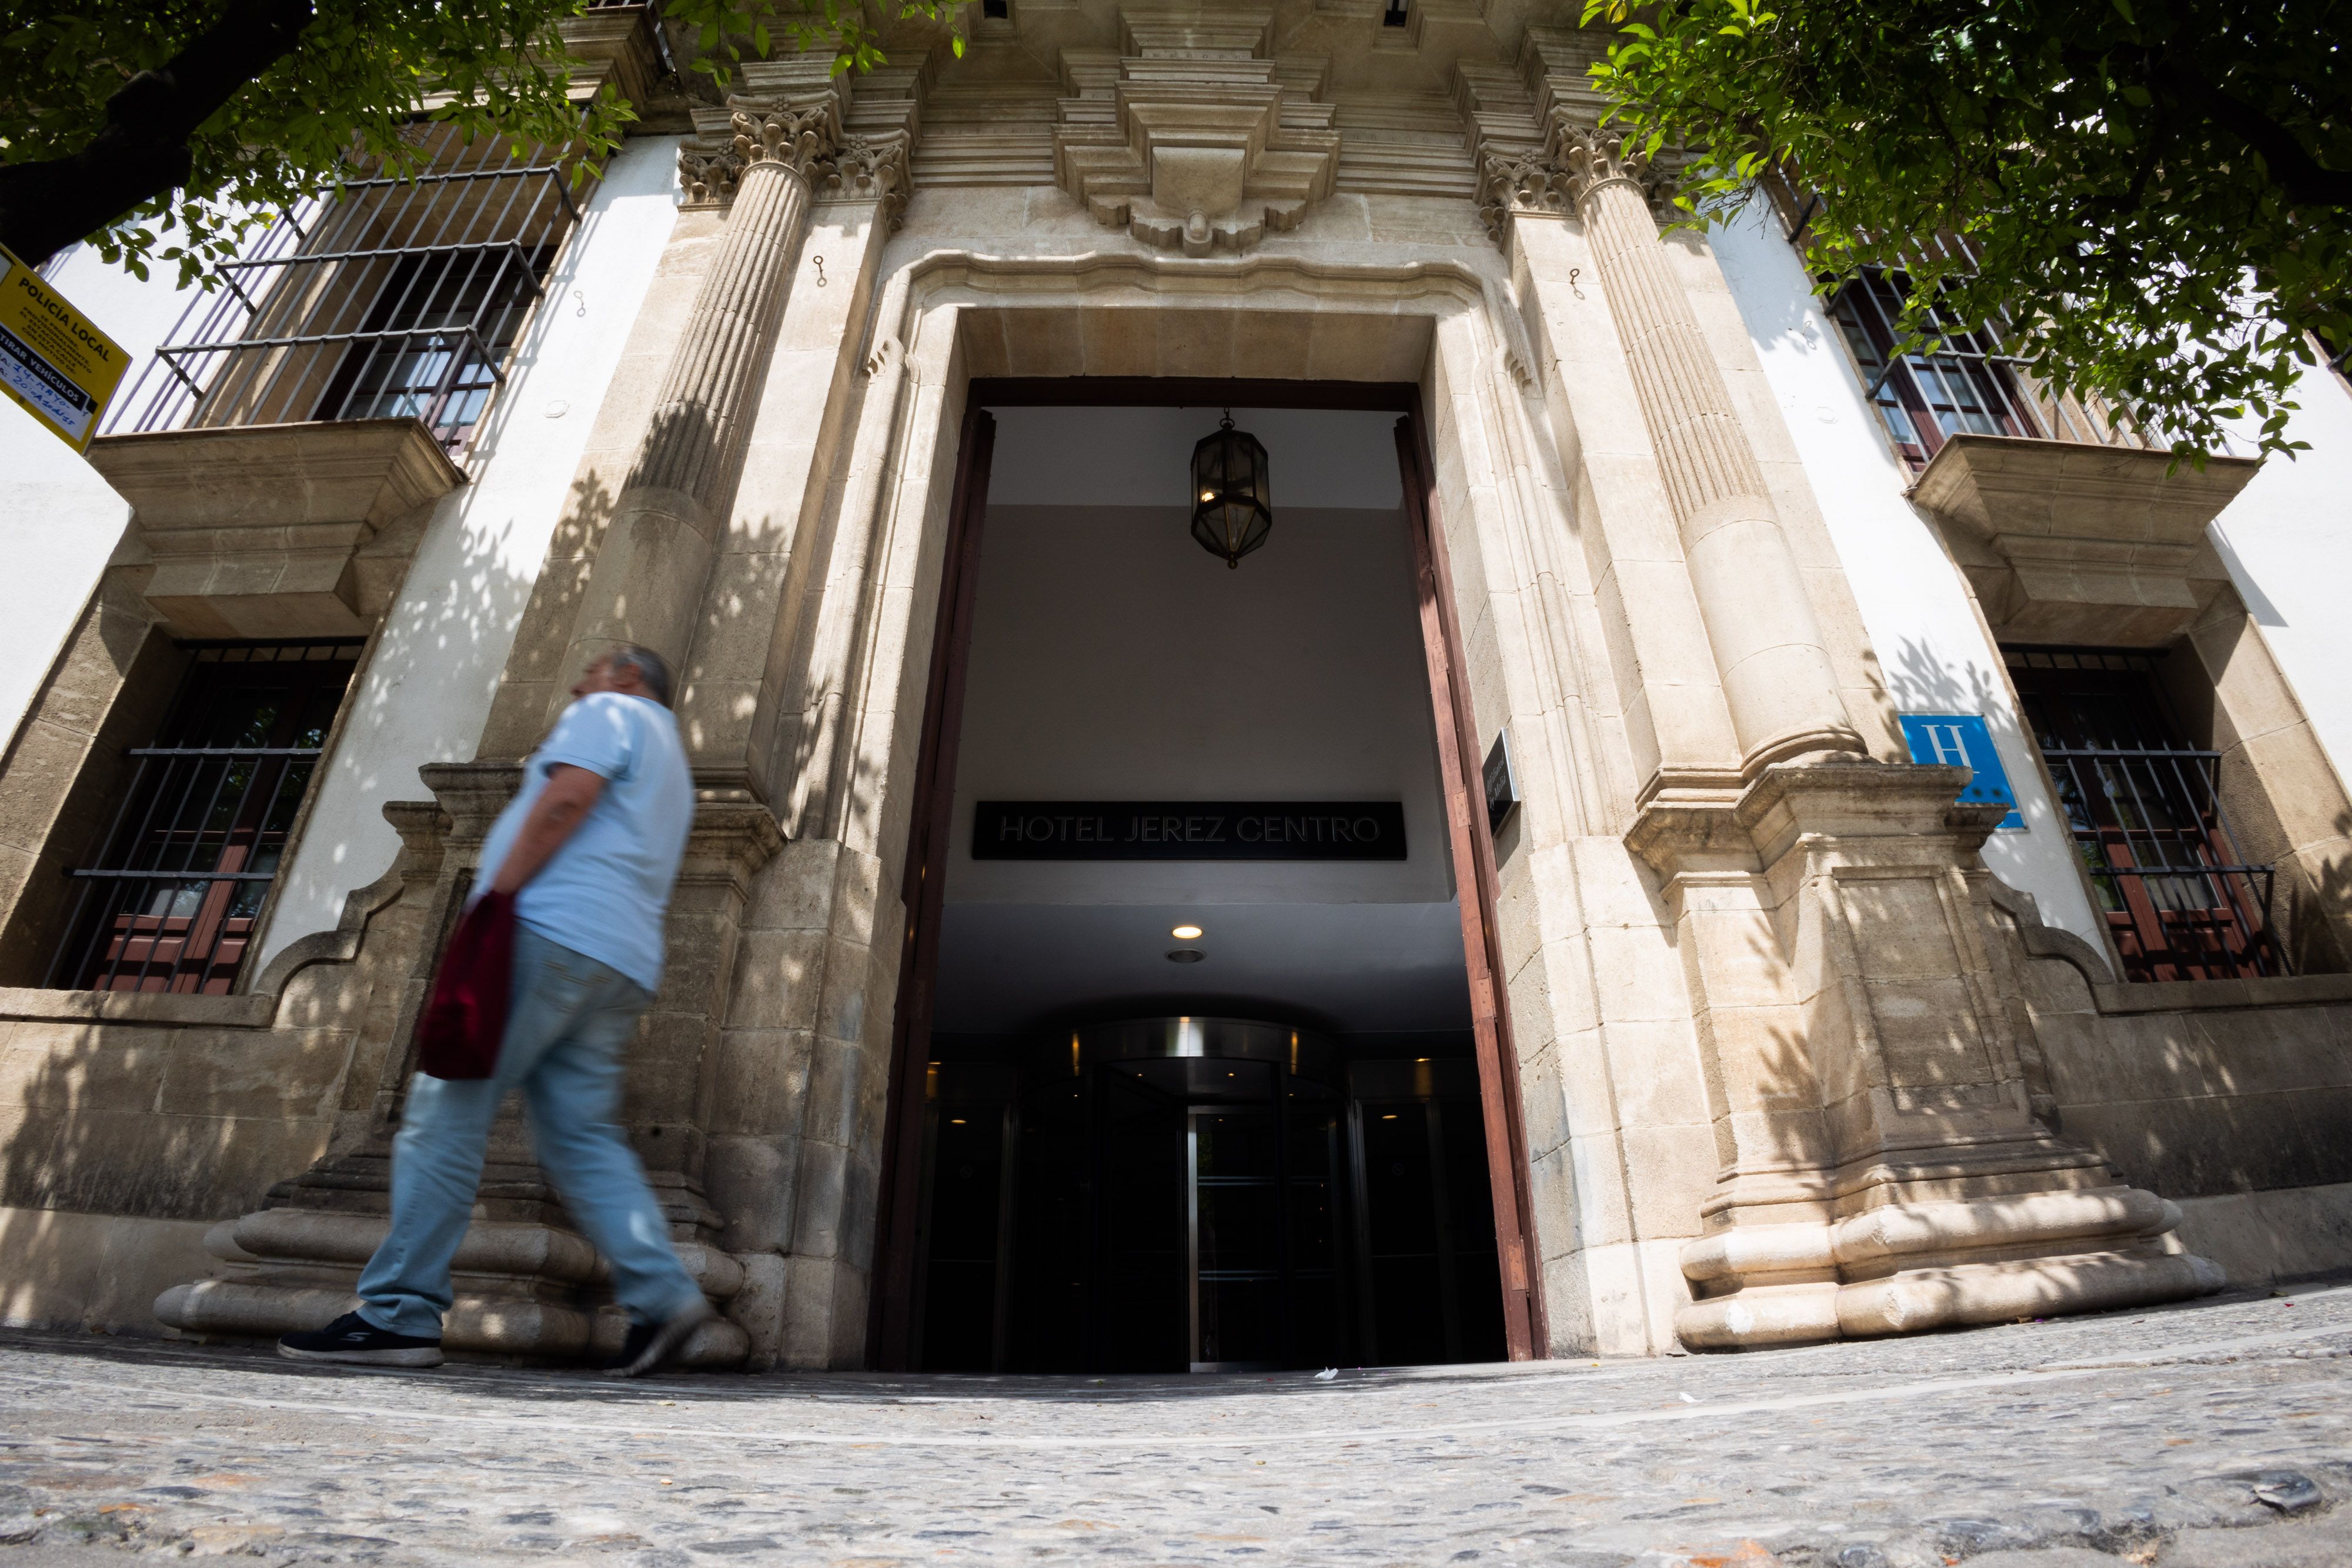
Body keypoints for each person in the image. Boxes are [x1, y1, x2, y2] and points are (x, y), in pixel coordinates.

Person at [279, 645, 713, 1378]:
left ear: (632, 678)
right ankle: (665, 1295)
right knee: (581, 1139)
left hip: (547, 934)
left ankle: (398, 1314)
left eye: (596, 668)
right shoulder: (673, 762)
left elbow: (566, 798)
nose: (579, 682)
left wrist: (498, 899)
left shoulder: (610, 712)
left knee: (444, 1111)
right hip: (618, 961)